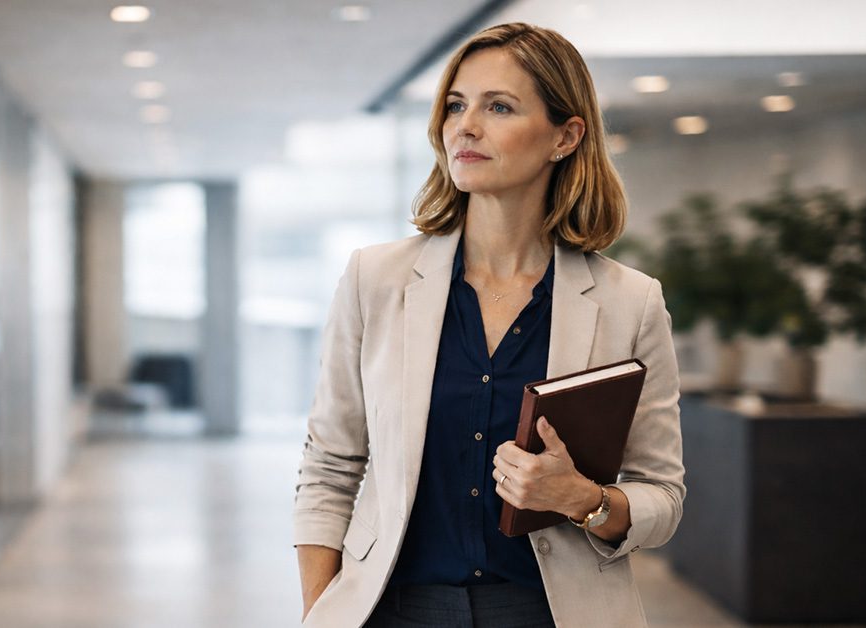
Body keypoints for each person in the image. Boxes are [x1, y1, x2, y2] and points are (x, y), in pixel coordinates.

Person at [292, 22, 685, 627]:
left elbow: (662, 494)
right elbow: (330, 466)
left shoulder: (629, 302)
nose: (464, 126)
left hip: (552, 612)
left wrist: (583, 500)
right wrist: (320, 612)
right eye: (455, 105)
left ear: (565, 135)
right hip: (394, 608)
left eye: (498, 106)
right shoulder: (376, 280)